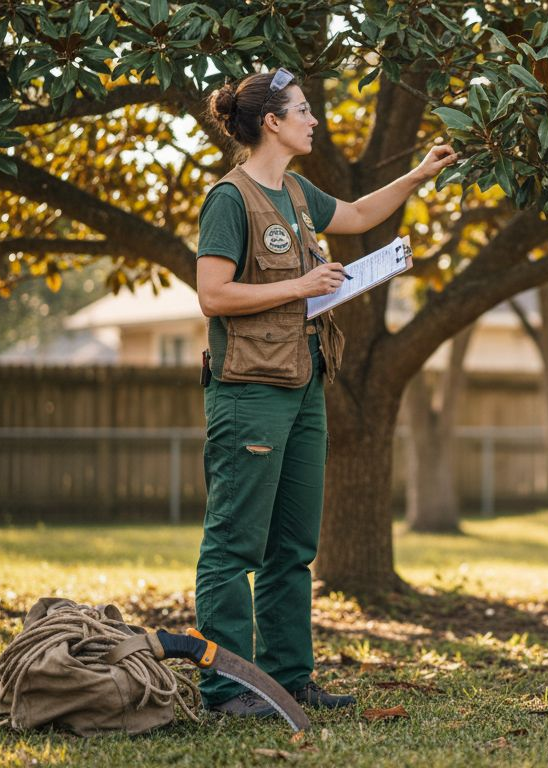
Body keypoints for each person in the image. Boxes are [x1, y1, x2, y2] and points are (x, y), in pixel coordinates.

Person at [193, 67, 457, 717]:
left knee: (293, 547)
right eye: (305, 111)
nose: (316, 120)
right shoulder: (230, 199)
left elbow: (364, 213)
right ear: (273, 123)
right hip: (249, 391)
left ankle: (289, 679)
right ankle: (225, 688)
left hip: (305, 383)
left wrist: (421, 173)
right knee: (233, 545)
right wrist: (300, 288)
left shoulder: (298, 193)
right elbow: (212, 294)